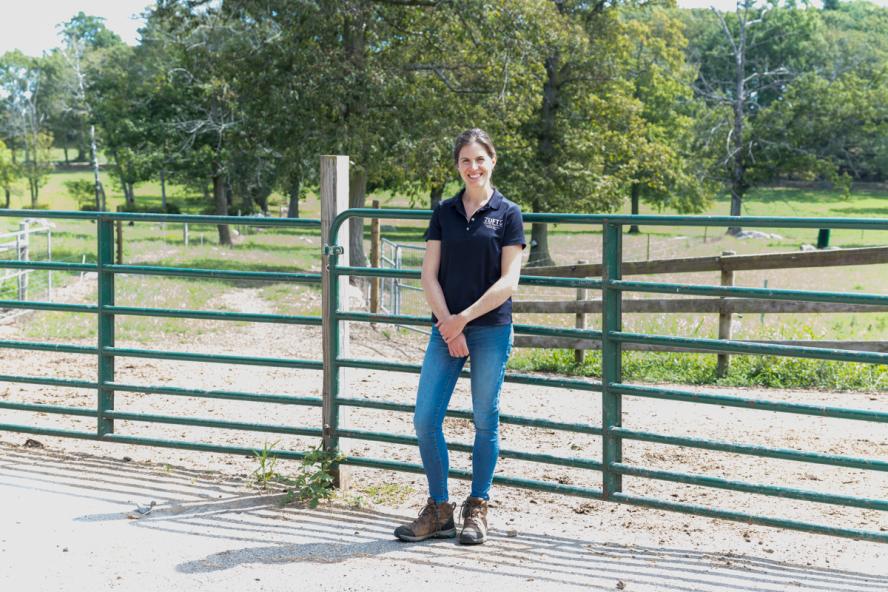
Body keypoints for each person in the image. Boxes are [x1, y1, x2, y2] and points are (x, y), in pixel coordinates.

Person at [394, 128, 525, 545]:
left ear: (493, 161)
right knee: (425, 419)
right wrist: (447, 323)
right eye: (465, 160)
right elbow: (427, 274)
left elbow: (509, 282)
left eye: (480, 159)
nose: (473, 167)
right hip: (444, 328)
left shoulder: (508, 213)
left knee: (485, 419)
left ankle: (478, 507)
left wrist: (462, 320)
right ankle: (439, 510)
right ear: (458, 165)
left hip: (489, 329)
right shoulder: (444, 212)